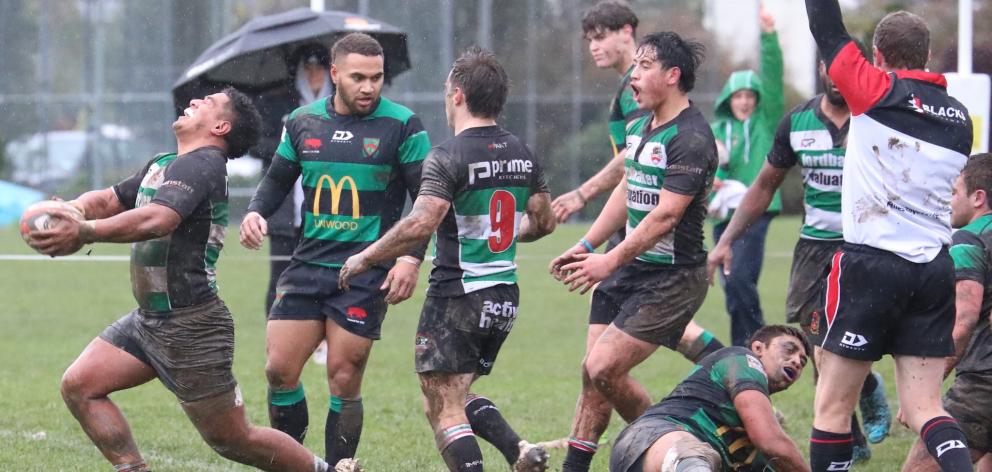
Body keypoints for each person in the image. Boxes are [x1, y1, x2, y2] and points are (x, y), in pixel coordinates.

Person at [25, 88, 331, 472]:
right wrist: (72, 208)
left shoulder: (204, 164)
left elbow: (159, 219)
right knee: (80, 385)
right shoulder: (168, 162)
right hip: (149, 320)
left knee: (234, 439)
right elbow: (110, 198)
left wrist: (85, 231)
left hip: (193, 325)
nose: (197, 100)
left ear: (221, 126)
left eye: (210, 102)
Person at [337, 46, 556, 472]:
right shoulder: (524, 154)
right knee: (447, 396)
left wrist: (365, 257)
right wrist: (507, 233)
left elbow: (422, 223)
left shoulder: (448, 155)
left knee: (445, 408)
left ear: (456, 95)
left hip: (458, 297)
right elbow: (543, 221)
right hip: (504, 296)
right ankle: (519, 452)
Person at [239, 32, 431, 468]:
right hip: (306, 266)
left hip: (364, 272)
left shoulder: (403, 125)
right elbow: (276, 180)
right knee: (278, 371)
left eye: (377, 78)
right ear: (335, 74)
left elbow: (428, 202)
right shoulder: (302, 121)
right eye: (359, 77)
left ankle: (338, 465)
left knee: (343, 377)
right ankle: (297, 463)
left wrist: (409, 257)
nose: (369, 87)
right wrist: (255, 213)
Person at [804, 1, 974, 471]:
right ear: (928, 54)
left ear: (877, 55)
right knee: (925, 409)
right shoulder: (960, 118)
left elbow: (826, 27)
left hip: (871, 266)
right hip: (934, 271)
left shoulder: (875, 90)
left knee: (833, 408)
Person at [706, 57, 892, 458]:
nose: (838, 76)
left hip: (865, 245)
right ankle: (852, 435)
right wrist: (726, 241)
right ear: (822, 70)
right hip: (814, 249)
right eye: (830, 66)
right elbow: (763, 186)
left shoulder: (875, 119)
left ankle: (869, 386)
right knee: (816, 342)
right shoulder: (798, 122)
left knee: (851, 339)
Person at [549, 31, 718, 472]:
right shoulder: (640, 126)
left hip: (672, 279)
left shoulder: (692, 138)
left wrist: (608, 259)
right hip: (631, 269)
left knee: (604, 367)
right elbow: (628, 188)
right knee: (593, 374)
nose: (633, 77)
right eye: (635, 67)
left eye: (643, 67)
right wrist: (587, 245)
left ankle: (676, 449)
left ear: (672, 75)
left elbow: (665, 217)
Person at [610, 325, 812, 472]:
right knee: (692, 455)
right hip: (653, 438)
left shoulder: (758, 450)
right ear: (758, 349)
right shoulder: (742, 359)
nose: (796, 361)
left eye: (803, 362)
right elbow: (770, 440)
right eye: (789, 349)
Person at [901, 154, 992, 471]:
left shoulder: (969, 239)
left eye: (953, 192)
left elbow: (964, 320)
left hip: (983, 383)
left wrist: (924, 390)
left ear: (978, 197)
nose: (947, 201)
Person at [709, 4, 785, 347]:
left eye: (749, 96)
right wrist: (713, 180)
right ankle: (746, 349)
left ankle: (758, 341)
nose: (744, 101)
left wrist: (769, 38)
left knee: (740, 278)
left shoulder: (766, 121)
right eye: (738, 96)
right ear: (728, 98)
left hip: (757, 209)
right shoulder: (716, 129)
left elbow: (772, 77)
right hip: (723, 212)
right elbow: (706, 167)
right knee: (731, 284)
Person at [252, 43, 333, 317]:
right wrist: (290, 144)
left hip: (326, 207)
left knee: (322, 275)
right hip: (284, 208)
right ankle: (274, 331)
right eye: (306, 69)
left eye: (319, 68)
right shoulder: (277, 103)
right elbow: (256, 144)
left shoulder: (340, 107)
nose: (313, 75)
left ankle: (319, 333)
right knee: (280, 276)